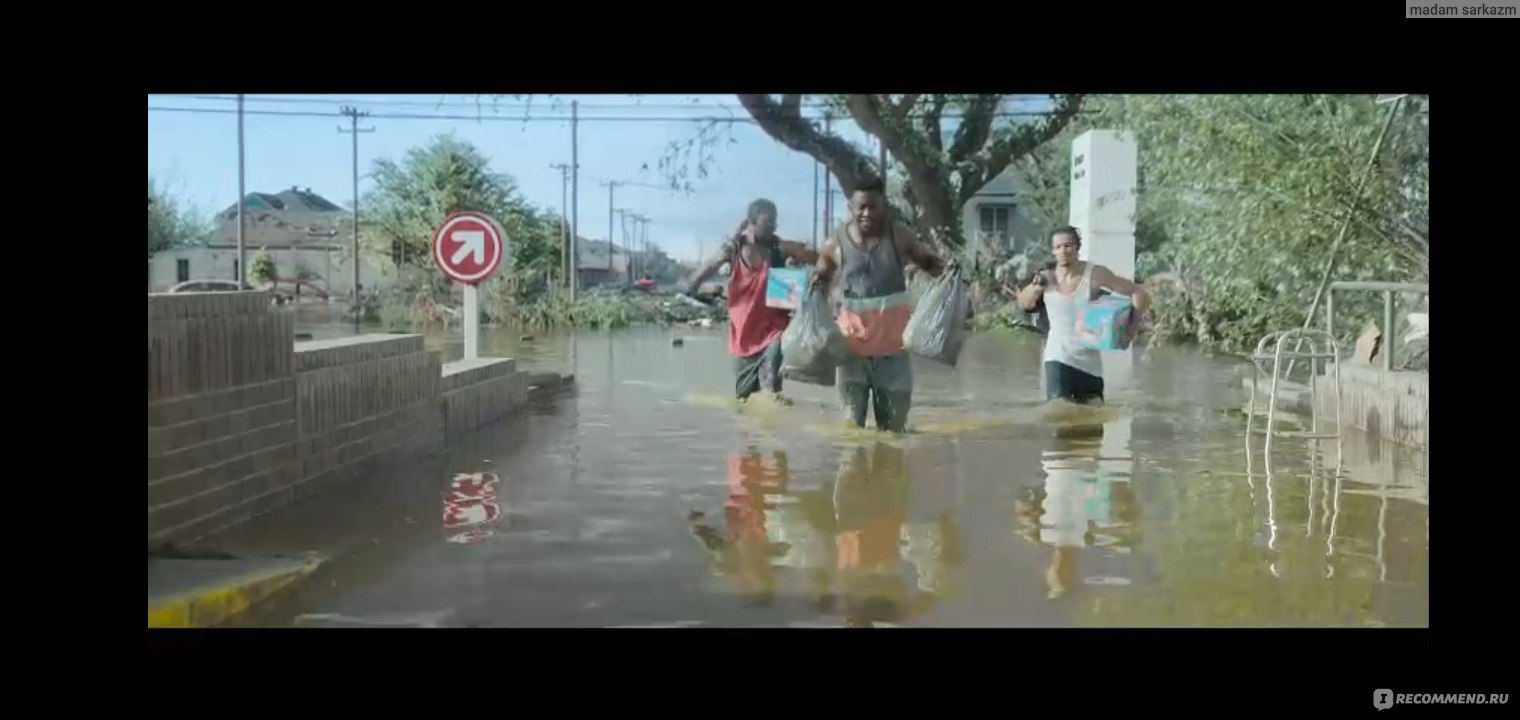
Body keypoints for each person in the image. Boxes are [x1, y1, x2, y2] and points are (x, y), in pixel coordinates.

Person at [810, 178, 947, 432]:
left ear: (884, 206)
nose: (867, 214)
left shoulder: (900, 236)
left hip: (893, 350)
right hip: (851, 351)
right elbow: (819, 281)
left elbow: (929, 263)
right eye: (861, 207)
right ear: (851, 207)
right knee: (852, 430)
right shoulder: (834, 244)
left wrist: (950, 277)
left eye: (873, 207)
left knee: (894, 431)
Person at [686, 199, 818, 402]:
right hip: (744, 333)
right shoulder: (734, 250)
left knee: (771, 384)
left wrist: (813, 271)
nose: (773, 227)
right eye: (768, 222)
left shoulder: (779, 248)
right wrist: (710, 282)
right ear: (751, 222)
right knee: (744, 399)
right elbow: (693, 281)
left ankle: (775, 420)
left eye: (775, 222)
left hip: (775, 328)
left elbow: (818, 259)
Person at [1017, 226, 1149, 404]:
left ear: (1078, 248)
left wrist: (1130, 332)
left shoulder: (1095, 275)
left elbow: (1139, 294)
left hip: (1090, 362)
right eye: (1058, 247)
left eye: (1068, 246)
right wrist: (1035, 288)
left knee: (1093, 421)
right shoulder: (1045, 277)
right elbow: (1023, 303)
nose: (1063, 251)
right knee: (1059, 411)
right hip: (1058, 357)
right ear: (1053, 251)